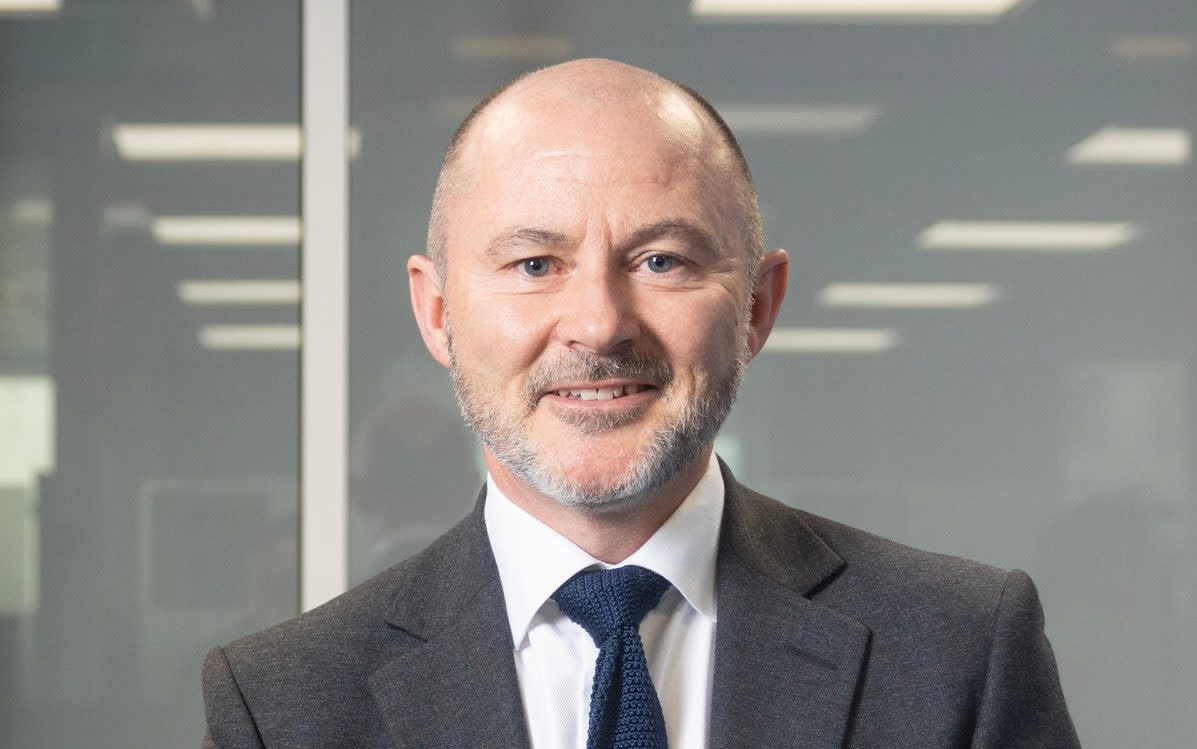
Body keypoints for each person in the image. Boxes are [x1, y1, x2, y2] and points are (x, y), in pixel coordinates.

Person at [201, 59, 1079, 748]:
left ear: (756, 307)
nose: (599, 323)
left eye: (661, 260)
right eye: (533, 264)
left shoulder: (958, 649)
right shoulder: (283, 706)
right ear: (437, 313)